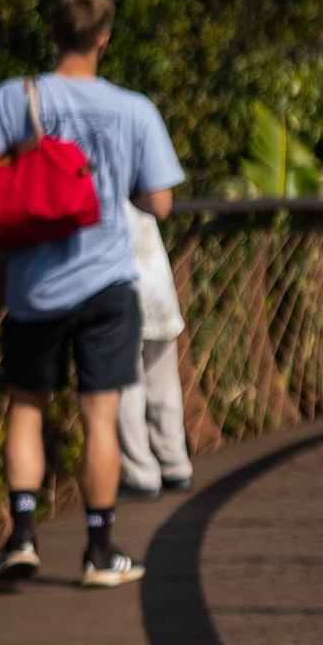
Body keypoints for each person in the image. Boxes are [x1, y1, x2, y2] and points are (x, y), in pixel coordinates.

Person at [0, 0, 184, 589]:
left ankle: (21, 537)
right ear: (104, 38)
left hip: (33, 282)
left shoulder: (17, 97)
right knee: (100, 417)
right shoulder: (134, 108)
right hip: (108, 282)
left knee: (26, 406)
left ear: (53, 32)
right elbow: (160, 202)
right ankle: (99, 551)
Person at [116, 207, 194, 497]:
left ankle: (142, 472)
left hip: (122, 287)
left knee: (127, 385)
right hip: (156, 284)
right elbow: (160, 203)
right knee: (163, 381)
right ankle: (175, 463)